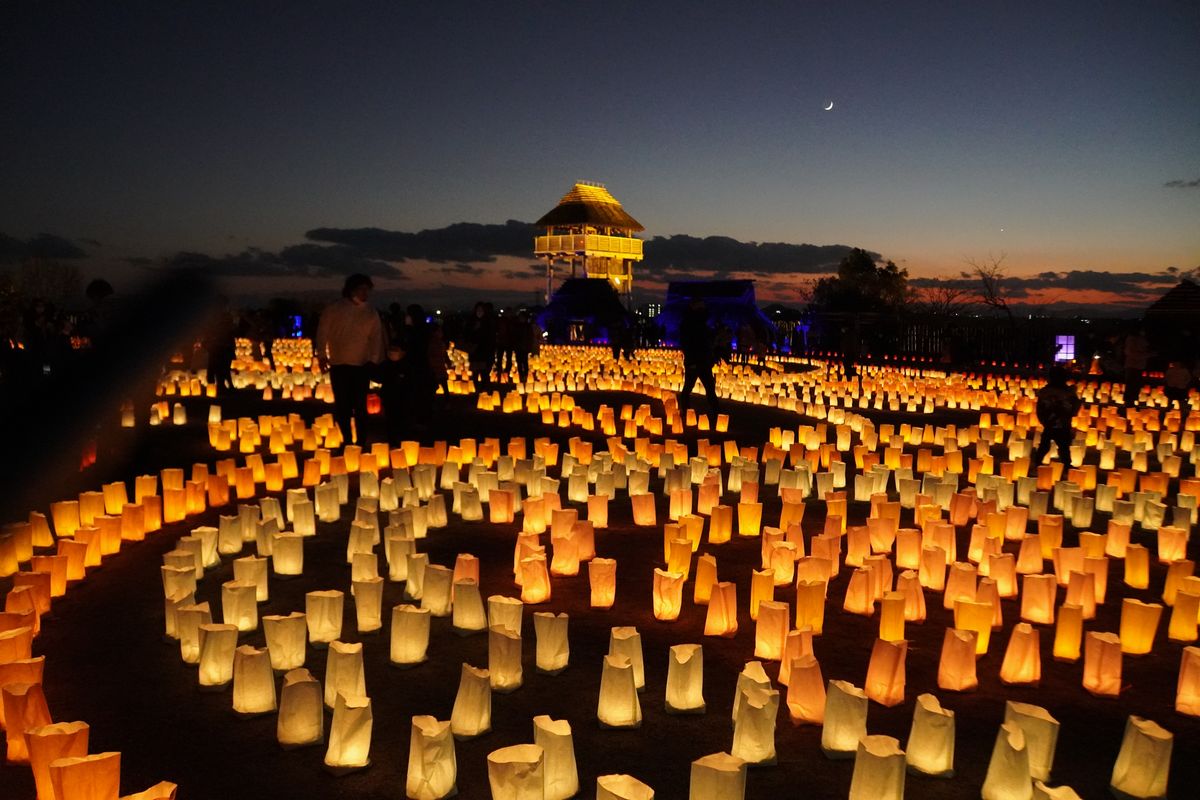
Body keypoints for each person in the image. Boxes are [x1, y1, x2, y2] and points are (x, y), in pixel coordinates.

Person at [316, 274, 385, 444]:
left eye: (367, 290)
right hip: (339, 364)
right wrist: (322, 356)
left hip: (361, 365)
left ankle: (361, 441)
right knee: (342, 406)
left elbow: (376, 337)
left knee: (360, 406)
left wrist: (373, 360)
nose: (365, 293)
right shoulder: (334, 309)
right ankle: (347, 439)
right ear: (351, 289)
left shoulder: (370, 312)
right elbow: (322, 332)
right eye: (362, 289)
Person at [677, 298, 720, 417]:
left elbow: (707, 343)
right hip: (695, 361)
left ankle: (716, 410)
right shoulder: (689, 325)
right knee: (689, 387)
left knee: (709, 387)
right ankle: (686, 410)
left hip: (703, 361)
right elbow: (687, 343)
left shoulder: (702, 325)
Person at [1032, 366, 1081, 466]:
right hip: (1060, 424)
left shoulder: (1046, 392)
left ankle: (1038, 462)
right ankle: (1066, 465)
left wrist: (1043, 420)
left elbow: (1040, 408)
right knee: (1062, 447)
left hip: (1052, 424)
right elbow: (1075, 406)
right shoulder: (1068, 392)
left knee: (1049, 446)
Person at [1122, 328, 1151, 406]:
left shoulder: (1138, 340)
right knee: (1131, 384)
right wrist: (1149, 354)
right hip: (1133, 365)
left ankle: (1131, 402)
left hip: (1138, 365)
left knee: (1135, 385)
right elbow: (1133, 354)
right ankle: (1129, 403)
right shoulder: (1132, 340)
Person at [1164, 359, 1194, 431]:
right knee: (1170, 401)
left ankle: (1182, 417)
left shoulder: (1184, 371)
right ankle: (1168, 415)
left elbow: (1188, 378)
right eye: (1175, 363)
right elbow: (1167, 377)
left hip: (1181, 388)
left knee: (1181, 403)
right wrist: (1169, 383)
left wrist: (1184, 383)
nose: (1176, 364)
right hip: (1172, 387)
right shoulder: (1170, 370)